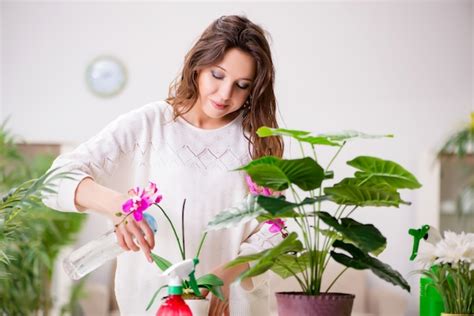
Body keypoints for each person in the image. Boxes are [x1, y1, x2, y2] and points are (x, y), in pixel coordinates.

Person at [43, 15, 284, 316]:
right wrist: (119, 206)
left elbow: (277, 229)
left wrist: (227, 273)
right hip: (151, 304)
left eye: (242, 85)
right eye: (217, 75)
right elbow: (55, 181)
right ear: (198, 66)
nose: (225, 94)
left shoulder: (257, 143)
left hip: (232, 308)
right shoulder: (150, 125)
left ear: (254, 89)